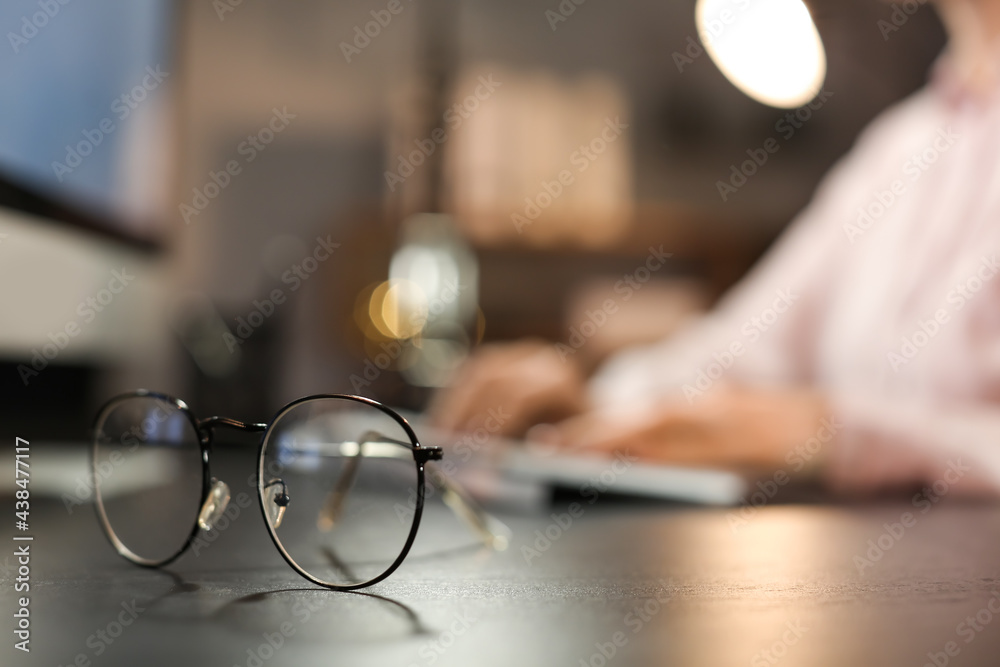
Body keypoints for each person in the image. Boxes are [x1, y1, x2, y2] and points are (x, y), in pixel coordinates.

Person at [430, 0, 1000, 495]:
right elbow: (741, 352)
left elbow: (815, 426)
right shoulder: (906, 147)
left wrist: (838, 431)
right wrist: (591, 398)